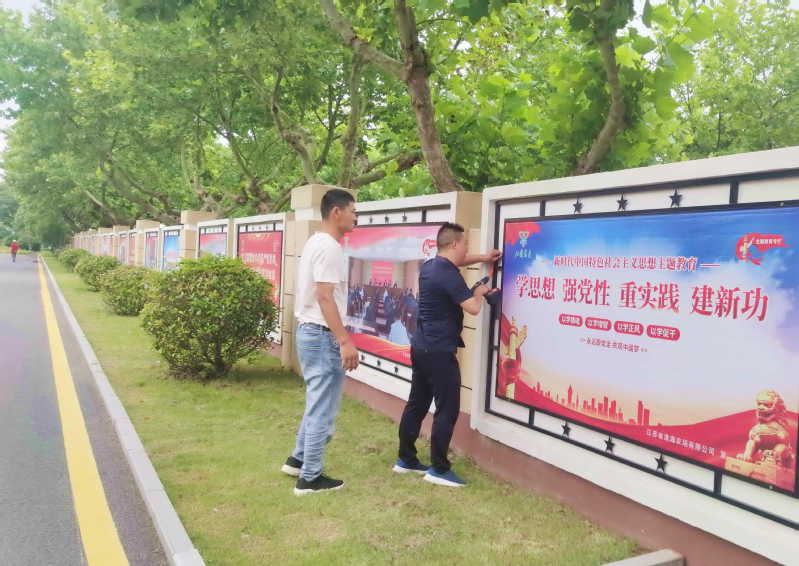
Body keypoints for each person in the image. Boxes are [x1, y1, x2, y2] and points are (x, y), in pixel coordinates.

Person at [393, 222, 501, 487]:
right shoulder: (449, 275)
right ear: (454, 244)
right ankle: (439, 469)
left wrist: (485, 257)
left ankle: (406, 459)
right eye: (465, 244)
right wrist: (479, 291)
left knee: (417, 403)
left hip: (421, 347)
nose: (467, 249)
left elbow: (459, 261)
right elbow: (473, 307)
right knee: (448, 408)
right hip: (440, 351)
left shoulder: (430, 266)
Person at [281, 189, 359, 495]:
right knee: (323, 408)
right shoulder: (329, 248)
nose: (356, 218)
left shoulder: (316, 242)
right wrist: (344, 341)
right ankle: (310, 478)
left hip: (311, 332)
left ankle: (298, 460)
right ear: (337, 212)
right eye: (353, 211)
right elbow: (325, 297)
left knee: (317, 401)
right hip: (323, 335)